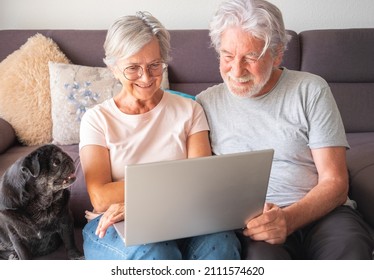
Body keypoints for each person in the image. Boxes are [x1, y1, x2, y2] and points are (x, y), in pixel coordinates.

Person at [196, 0, 374, 259]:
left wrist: (288, 219)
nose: (236, 70)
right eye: (228, 56)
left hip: (324, 212)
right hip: (254, 222)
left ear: (277, 54)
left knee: (349, 250)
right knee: (262, 262)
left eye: (251, 57)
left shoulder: (311, 90)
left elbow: (335, 181)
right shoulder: (205, 103)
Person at [78, 11, 240, 260]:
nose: (146, 77)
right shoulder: (96, 120)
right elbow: (100, 197)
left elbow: (200, 183)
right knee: (155, 251)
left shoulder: (190, 110)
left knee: (223, 241)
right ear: (113, 67)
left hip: (184, 216)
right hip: (114, 223)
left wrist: (142, 203)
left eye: (155, 65)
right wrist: (169, 188)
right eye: (133, 68)